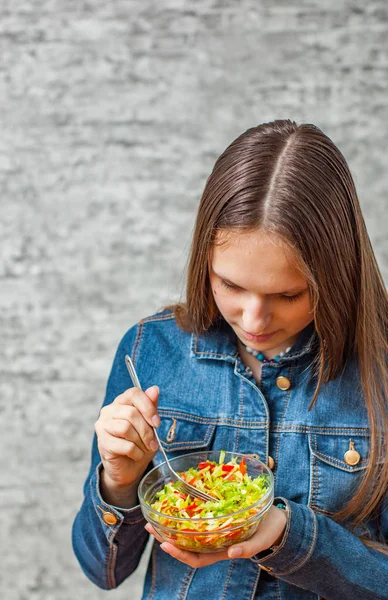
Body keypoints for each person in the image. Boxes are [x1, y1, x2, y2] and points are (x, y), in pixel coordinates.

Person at [72, 119, 388, 599]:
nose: (254, 318)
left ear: (337, 276)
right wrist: (118, 481)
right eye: (231, 286)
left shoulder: (378, 372)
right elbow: (102, 570)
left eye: (287, 294)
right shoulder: (152, 351)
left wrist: (290, 536)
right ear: (205, 262)